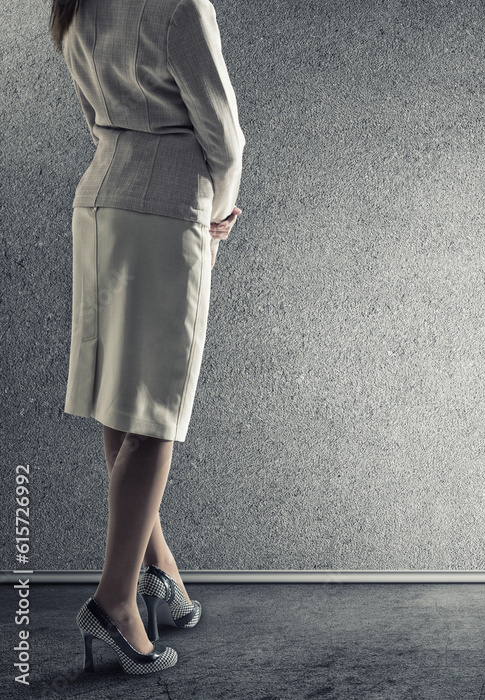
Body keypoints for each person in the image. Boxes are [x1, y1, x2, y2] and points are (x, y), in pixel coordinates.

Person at [50, 0, 245, 675]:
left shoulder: (75, 5)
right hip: (164, 210)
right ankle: (114, 602)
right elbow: (225, 136)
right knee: (157, 410)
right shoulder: (180, 6)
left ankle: (158, 570)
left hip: (98, 204)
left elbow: (92, 110)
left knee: (120, 397)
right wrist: (219, 216)